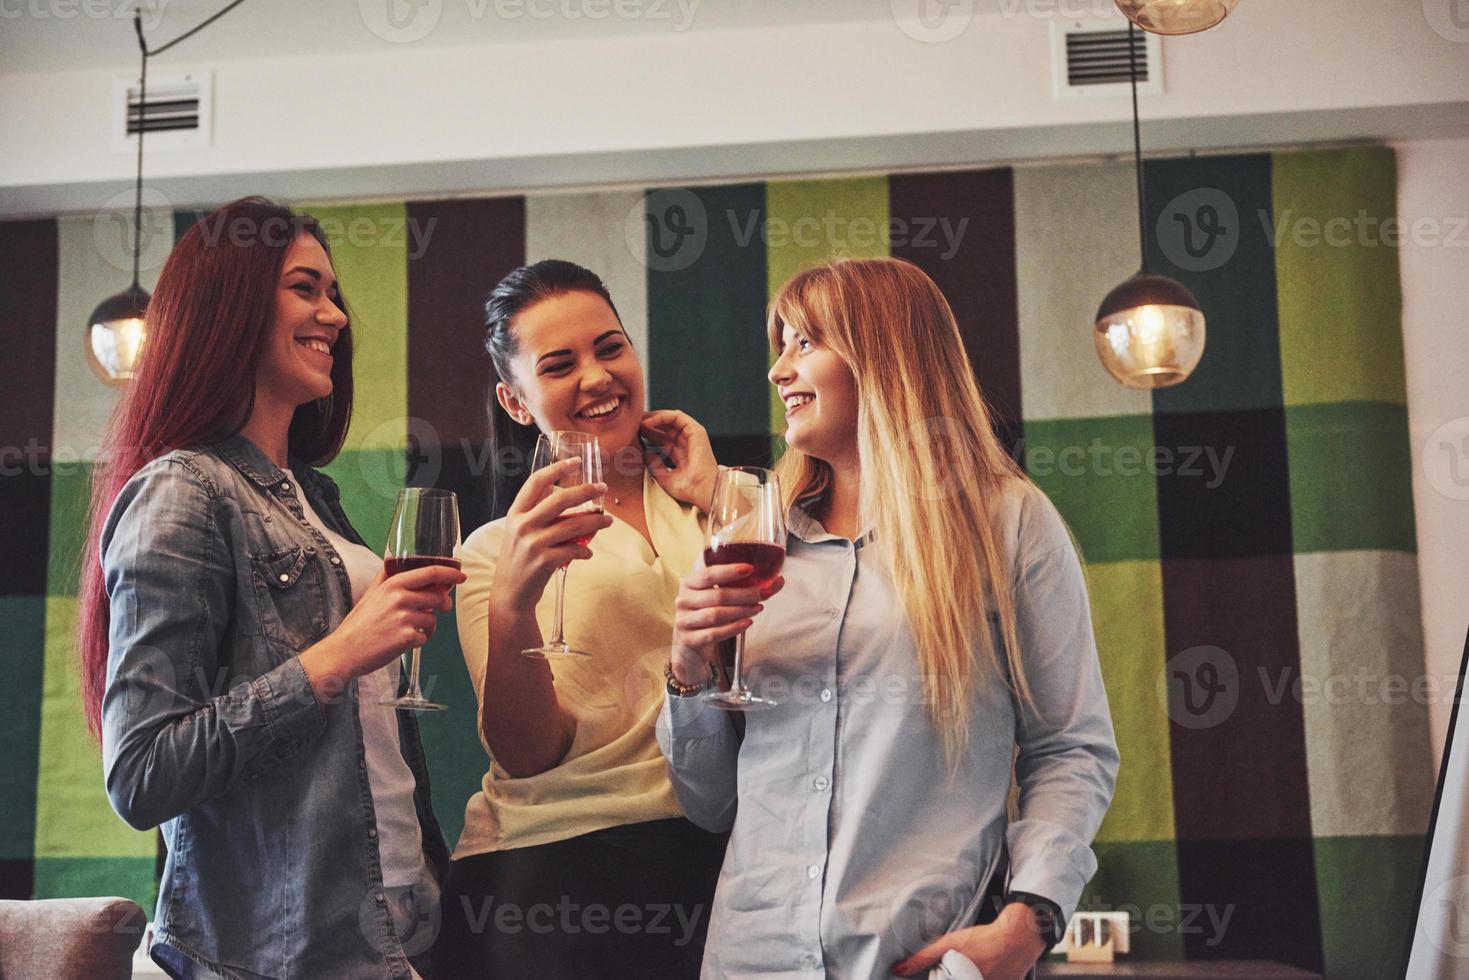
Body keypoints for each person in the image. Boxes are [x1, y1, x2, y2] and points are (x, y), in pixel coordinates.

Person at [659, 257, 1121, 980]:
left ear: (885, 357)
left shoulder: (1006, 522)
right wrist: (687, 670)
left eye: (805, 343)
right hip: (752, 962)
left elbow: (1069, 748)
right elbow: (711, 804)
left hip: (923, 962)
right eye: (779, 346)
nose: (778, 371)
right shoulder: (753, 542)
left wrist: (1027, 925)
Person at [79, 197, 464, 979]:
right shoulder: (183, 490)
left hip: (392, 924)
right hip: (276, 953)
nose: (335, 315)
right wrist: (339, 655)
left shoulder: (313, 497)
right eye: (306, 288)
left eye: (334, 294)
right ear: (231, 306)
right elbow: (143, 773)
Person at [434, 260, 728, 977]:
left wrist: (718, 491)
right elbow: (528, 753)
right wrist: (513, 599)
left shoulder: (725, 504)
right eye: (559, 364)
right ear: (515, 401)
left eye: (610, 347)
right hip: (552, 878)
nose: (597, 377)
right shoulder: (490, 551)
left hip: (723, 856)